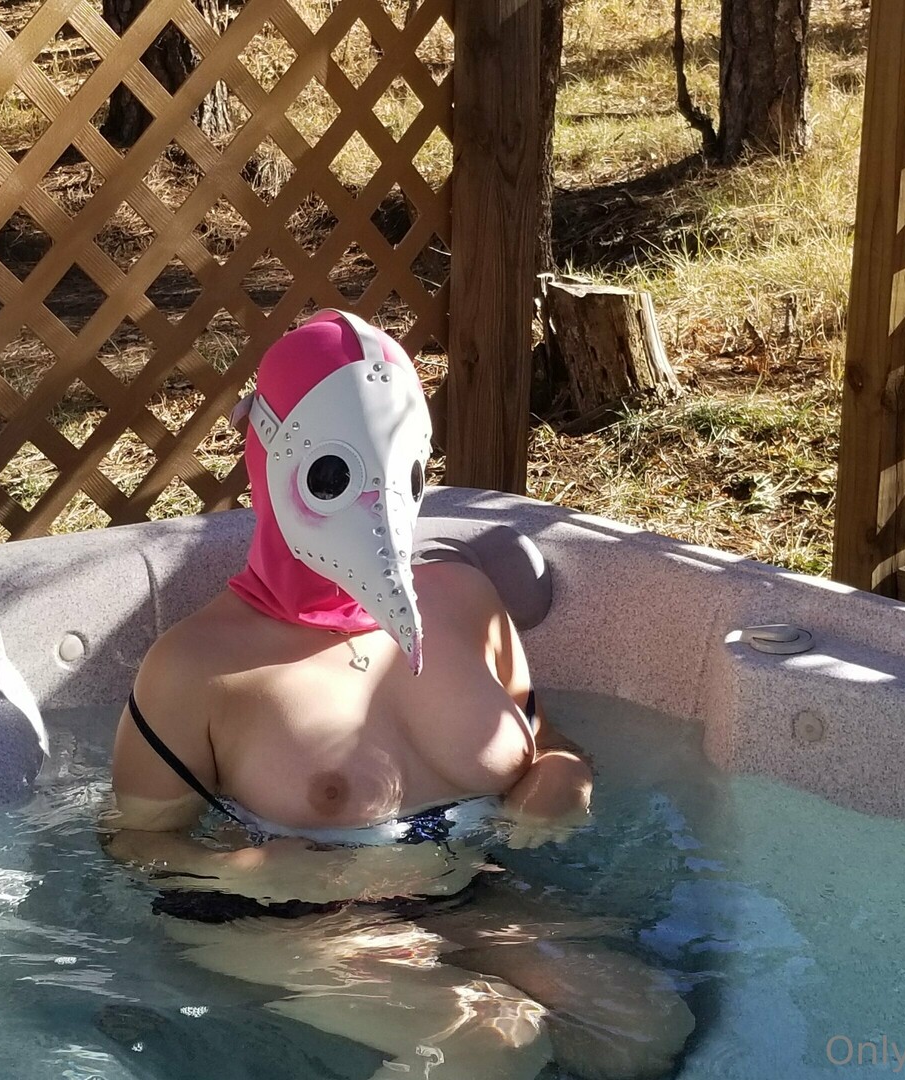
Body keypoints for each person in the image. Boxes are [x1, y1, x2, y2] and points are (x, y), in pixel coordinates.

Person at [102, 310, 693, 1079]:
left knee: (645, 1027)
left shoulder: (464, 600)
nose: (379, 505)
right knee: (491, 1041)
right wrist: (245, 873)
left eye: (403, 473)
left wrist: (560, 776)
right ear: (269, 458)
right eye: (335, 476)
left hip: (462, 891)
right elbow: (132, 845)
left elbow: (549, 739)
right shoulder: (196, 665)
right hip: (279, 920)